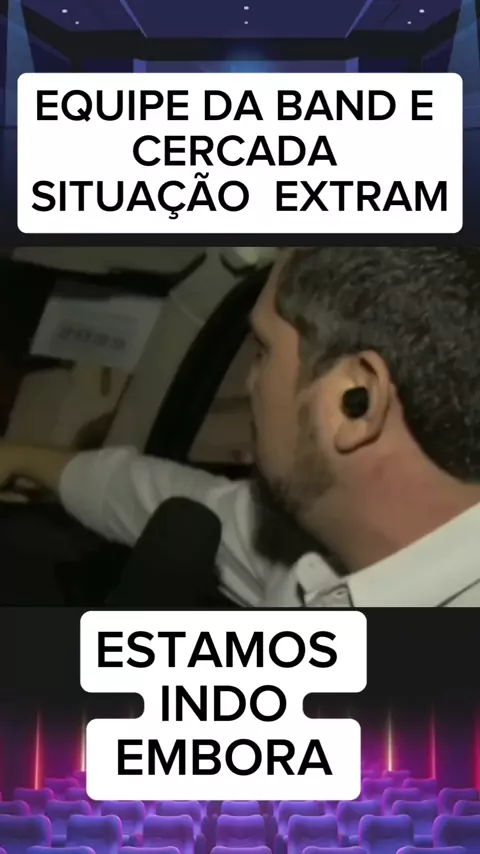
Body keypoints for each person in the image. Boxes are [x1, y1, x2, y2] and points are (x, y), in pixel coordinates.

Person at [1, 246, 480, 607]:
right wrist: (24, 459)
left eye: (263, 351)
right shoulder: (330, 550)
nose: (250, 381)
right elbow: (183, 505)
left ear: (356, 401)